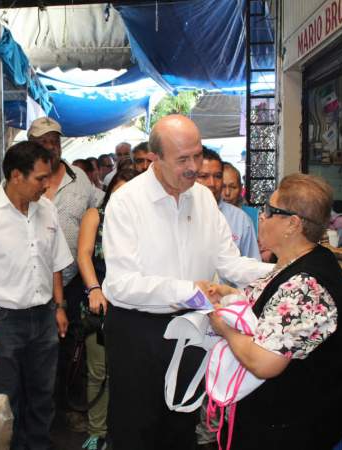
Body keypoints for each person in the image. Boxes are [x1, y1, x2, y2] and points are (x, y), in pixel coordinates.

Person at [101, 115, 273, 450]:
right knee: (135, 430)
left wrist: (285, 272)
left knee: (181, 427)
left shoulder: (204, 200)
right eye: (183, 159)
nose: (194, 167)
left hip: (192, 328)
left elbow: (229, 261)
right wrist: (190, 292)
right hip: (139, 332)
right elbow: (121, 284)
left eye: (197, 155)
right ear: (155, 159)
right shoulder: (127, 202)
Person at [206, 173, 342, 450]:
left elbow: (263, 362)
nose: (261, 216)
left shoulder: (308, 284)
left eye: (270, 211)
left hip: (292, 426)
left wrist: (225, 328)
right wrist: (225, 293)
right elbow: (270, 307)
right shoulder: (297, 263)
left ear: (292, 224)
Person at [0, 141, 73, 450]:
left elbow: (56, 264)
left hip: (44, 317)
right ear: (16, 175)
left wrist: (59, 307)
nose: (47, 186)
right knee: (7, 401)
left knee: (43, 396)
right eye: (41, 178)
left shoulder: (46, 210)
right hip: (2, 320)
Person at [27, 116, 101, 430]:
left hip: (71, 281)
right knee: (38, 351)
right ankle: (40, 415)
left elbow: (101, 208)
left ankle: (64, 410)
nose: (51, 147)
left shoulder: (79, 178)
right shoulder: (22, 180)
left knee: (70, 347)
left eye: (55, 140)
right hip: (32, 282)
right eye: (44, 142)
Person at [76, 167, 138, 450]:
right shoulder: (94, 216)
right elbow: (84, 255)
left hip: (134, 307)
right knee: (99, 372)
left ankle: (125, 430)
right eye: (118, 193)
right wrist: (95, 289)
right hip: (99, 304)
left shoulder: (143, 223)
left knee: (129, 373)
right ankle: (97, 433)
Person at [196, 149, 260, 261]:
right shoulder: (180, 213)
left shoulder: (241, 220)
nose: (212, 183)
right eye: (204, 176)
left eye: (218, 176)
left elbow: (253, 265)